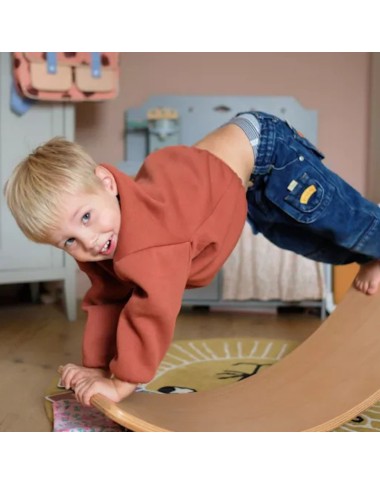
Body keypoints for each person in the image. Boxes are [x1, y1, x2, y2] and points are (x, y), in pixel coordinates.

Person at [4, 110, 380, 407]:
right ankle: (369, 257)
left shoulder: (150, 240)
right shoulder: (104, 239)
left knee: (342, 221)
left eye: (86, 218)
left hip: (267, 149)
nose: (89, 241)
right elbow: (106, 299)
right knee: (295, 236)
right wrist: (95, 367)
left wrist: (122, 381)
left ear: (106, 183)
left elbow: (151, 311)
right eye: (69, 241)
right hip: (242, 177)